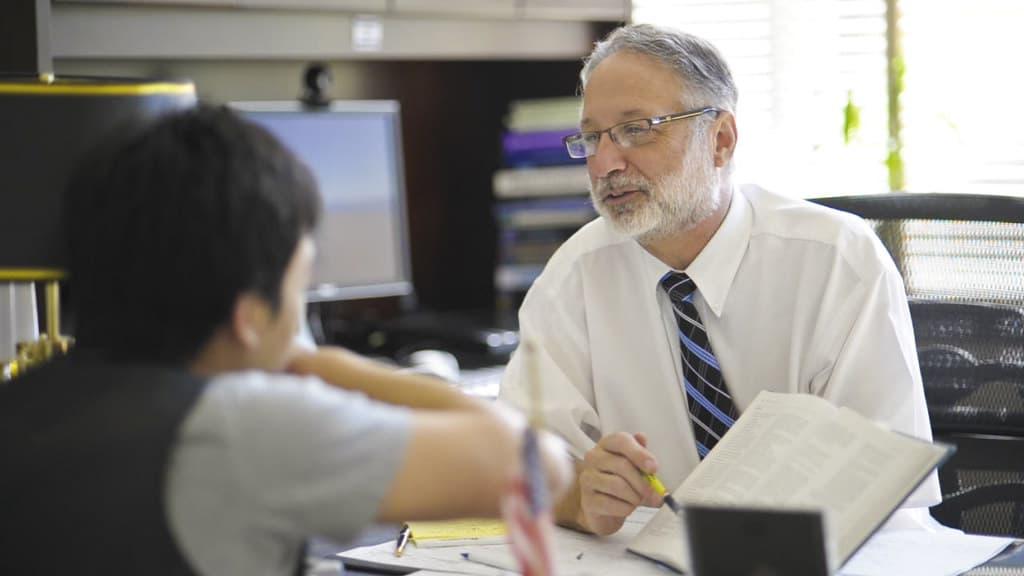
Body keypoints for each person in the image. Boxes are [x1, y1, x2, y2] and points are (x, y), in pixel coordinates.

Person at [0, 106, 570, 576]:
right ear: (249, 316)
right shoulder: (236, 427)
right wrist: (321, 363)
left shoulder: (25, 401)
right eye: (299, 286)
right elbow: (536, 465)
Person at [499, 23, 940, 536]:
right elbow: (516, 461)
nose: (605, 162)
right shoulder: (575, 274)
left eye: (636, 128)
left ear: (721, 140)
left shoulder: (837, 261)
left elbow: (883, 486)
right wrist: (578, 496)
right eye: (592, 137)